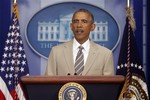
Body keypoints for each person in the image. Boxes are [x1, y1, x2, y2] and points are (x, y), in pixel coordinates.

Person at [46, 9, 114, 75]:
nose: (79, 25)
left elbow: (108, 86)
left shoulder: (105, 55)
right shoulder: (56, 52)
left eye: (84, 21)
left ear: (92, 27)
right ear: (71, 26)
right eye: (76, 21)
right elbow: (48, 84)